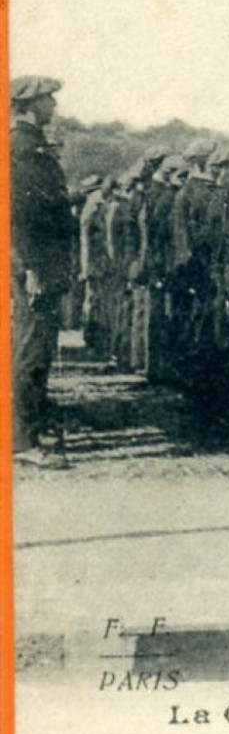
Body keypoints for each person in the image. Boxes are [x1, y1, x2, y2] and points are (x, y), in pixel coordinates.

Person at [10, 75, 75, 467]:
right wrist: (32, 265)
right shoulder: (22, 148)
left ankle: (30, 429)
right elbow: (22, 214)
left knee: (36, 347)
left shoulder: (28, 146)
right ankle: (21, 439)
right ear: (33, 104)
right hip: (35, 263)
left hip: (39, 262)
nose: (55, 106)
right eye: (50, 100)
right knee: (30, 350)